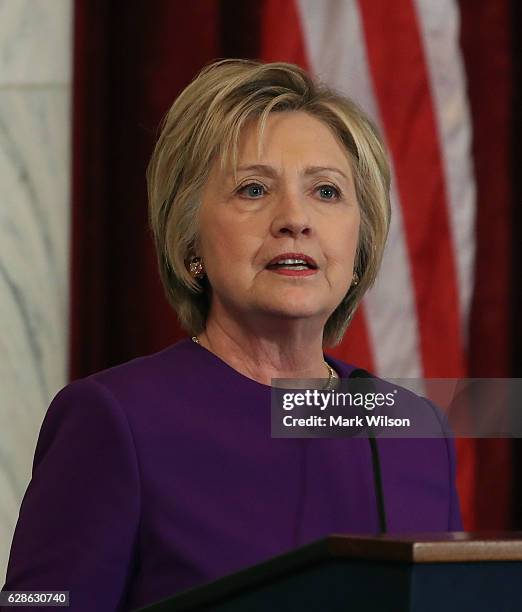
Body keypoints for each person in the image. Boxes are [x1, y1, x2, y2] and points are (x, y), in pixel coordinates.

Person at [2, 59, 462, 611]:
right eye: (252, 189)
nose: (295, 218)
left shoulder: (411, 428)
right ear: (191, 238)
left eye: (326, 192)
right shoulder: (115, 420)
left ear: (361, 246)